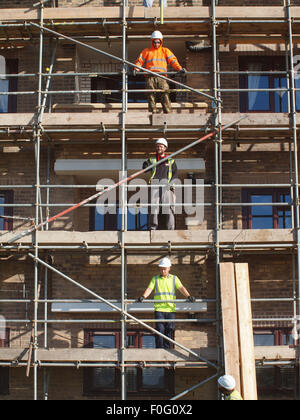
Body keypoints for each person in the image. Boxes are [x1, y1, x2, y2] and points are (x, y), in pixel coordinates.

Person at [137, 257, 196, 349]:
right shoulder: (155, 279)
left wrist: (188, 296)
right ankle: (159, 348)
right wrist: (143, 296)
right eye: (161, 269)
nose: (163, 271)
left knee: (169, 329)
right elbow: (149, 289)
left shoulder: (174, 279)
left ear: (169, 268)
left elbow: (181, 288)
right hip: (159, 309)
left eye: (164, 269)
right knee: (160, 329)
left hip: (170, 309)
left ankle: (167, 348)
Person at [133, 31, 186, 113]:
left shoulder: (165, 51)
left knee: (164, 94)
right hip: (150, 77)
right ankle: (152, 113)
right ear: (152, 41)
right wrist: (136, 69)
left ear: (161, 41)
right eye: (154, 42)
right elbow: (139, 61)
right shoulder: (146, 51)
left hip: (162, 77)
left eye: (158, 42)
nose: (156, 44)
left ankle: (168, 113)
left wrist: (179, 69)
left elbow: (173, 61)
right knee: (151, 95)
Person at [143, 138, 177, 230]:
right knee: (154, 208)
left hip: (167, 186)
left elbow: (175, 174)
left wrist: (171, 185)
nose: (159, 148)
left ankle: (170, 228)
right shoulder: (152, 160)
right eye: (157, 146)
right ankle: (152, 228)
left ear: (165, 148)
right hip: (155, 185)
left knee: (169, 208)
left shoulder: (171, 161)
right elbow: (145, 168)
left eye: (161, 146)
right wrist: (146, 165)